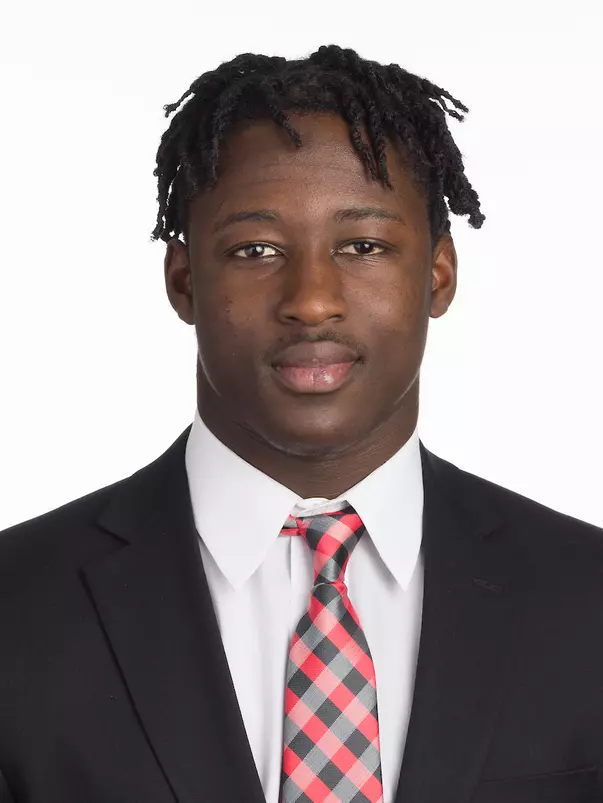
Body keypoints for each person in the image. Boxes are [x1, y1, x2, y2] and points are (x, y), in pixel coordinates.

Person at [0, 44, 602, 803]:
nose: (312, 299)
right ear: (183, 281)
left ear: (438, 275)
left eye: (363, 245)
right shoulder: (17, 608)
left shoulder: (587, 601)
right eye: (255, 249)